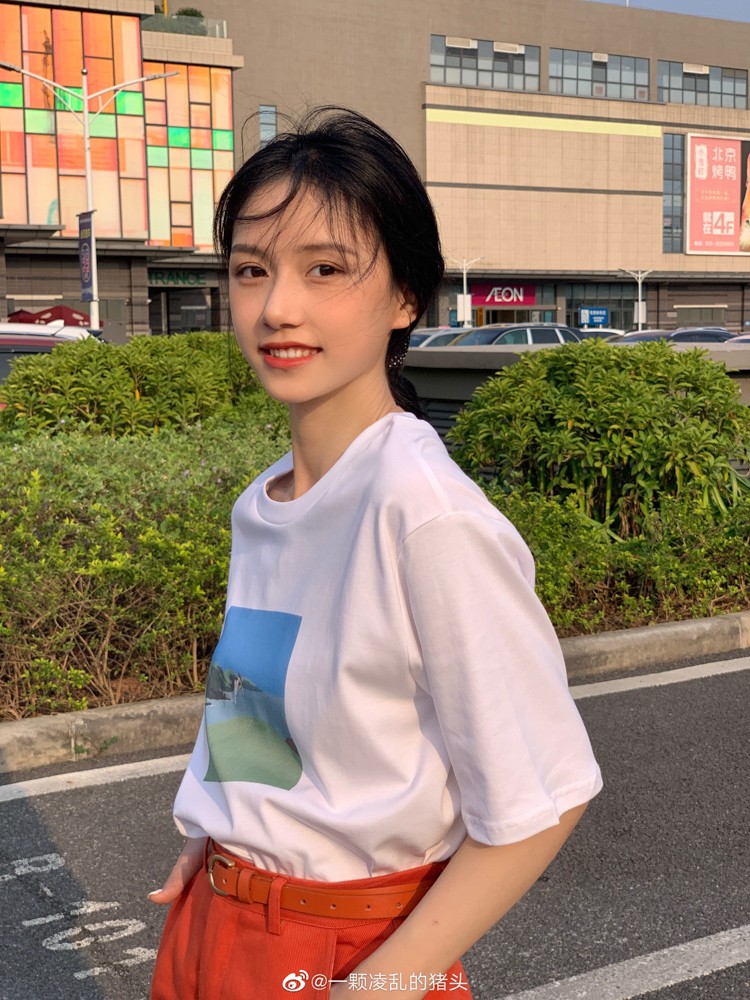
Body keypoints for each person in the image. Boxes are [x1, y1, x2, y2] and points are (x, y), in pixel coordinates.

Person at [148, 107, 603, 1000]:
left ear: (405, 297)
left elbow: (546, 800)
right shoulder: (267, 502)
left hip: (348, 952)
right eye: (251, 269)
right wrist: (223, 829)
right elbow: (261, 718)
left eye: (325, 269)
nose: (277, 307)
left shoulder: (425, 515)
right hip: (214, 923)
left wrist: (379, 987)